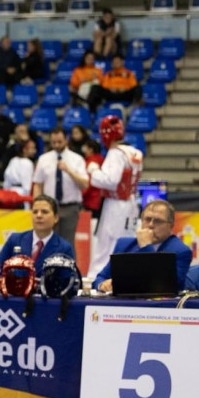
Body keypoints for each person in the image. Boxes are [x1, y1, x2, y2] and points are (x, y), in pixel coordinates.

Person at [87, 115, 144, 279]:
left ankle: (98, 278)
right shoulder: (136, 152)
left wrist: (93, 170)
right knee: (126, 241)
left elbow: (110, 181)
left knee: (107, 244)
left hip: (115, 204)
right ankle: (124, 276)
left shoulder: (115, 153)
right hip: (131, 203)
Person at [94, 200, 191, 293]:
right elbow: (100, 278)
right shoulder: (123, 244)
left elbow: (169, 286)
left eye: (158, 221)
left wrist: (146, 246)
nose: (151, 225)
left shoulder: (180, 251)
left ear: (171, 226)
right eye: (147, 219)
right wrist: (102, 285)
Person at [31, 126, 88, 247]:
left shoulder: (77, 159)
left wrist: (69, 171)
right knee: (47, 242)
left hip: (70, 207)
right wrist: (37, 205)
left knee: (68, 243)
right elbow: (38, 184)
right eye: (53, 142)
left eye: (59, 142)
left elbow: (85, 184)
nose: (57, 145)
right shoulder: (43, 159)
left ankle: (67, 266)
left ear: (66, 140)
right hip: (49, 207)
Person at [0, 195, 76, 268]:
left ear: (56, 218)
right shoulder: (15, 240)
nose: (39, 216)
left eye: (44, 212)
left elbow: (68, 280)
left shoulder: (64, 248)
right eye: (35, 212)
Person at [80, 137, 104, 219]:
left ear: (91, 149)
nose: (84, 149)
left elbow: (89, 183)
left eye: (86, 147)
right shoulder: (98, 160)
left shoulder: (92, 163)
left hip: (92, 201)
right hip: (95, 199)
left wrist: (80, 196)